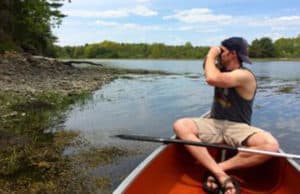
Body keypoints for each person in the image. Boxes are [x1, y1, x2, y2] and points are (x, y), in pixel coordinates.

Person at [173, 37, 279, 194]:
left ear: (233, 54)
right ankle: (221, 176)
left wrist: (211, 54)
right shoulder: (220, 69)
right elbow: (207, 67)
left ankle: (218, 169)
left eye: (222, 51)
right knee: (180, 125)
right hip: (214, 123)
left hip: (237, 126)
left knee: (271, 146)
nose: (219, 54)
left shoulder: (245, 75)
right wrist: (214, 54)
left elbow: (211, 78)